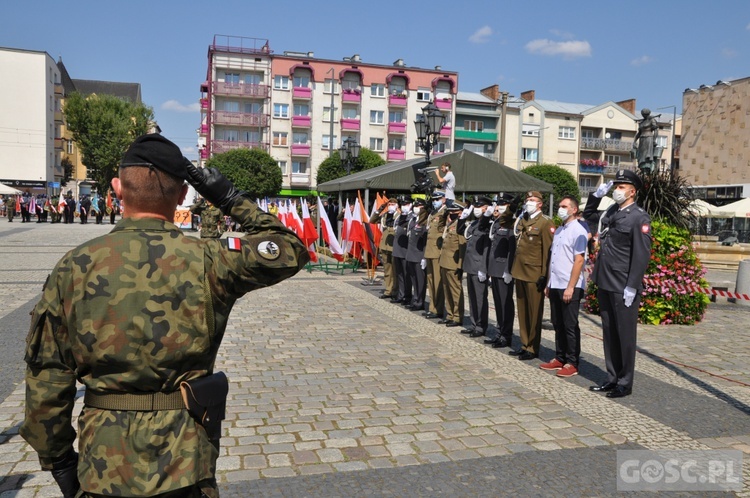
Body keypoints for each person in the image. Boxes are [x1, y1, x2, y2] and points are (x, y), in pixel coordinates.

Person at [20, 133, 309, 498]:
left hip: (103, 466)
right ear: (184, 195)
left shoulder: (75, 266)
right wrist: (228, 197)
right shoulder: (209, 260)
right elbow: (290, 248)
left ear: (116, 189)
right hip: (185, 462)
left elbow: (46, 377)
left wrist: (60, 463)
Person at [585, 170, 651, 398]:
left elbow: (641, 254)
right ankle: (611, 377)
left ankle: (625, 381)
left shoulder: (639, 217)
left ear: (632, 191)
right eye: (616, 186)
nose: (617, 190)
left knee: (625, 334)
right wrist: (596, 195)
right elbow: (589, 215)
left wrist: (632, 285)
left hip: (623, 284)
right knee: (609, 332)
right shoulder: (612, 211)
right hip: (605, 279)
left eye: (621, 187)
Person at [540, 196, 588, 378]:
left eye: (564, 206)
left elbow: (579, 260)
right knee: (557, 322)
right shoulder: (559, 230)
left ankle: (572, 361)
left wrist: (571, 286)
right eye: (560, 206)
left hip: (570, 285)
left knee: (570, 325)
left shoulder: (579, 231)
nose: (560, 208)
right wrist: (549, 284)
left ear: (574, 209)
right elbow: (554, 259)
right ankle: (559, 357)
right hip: (556, 283)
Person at [509, 191, 555, 360]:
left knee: (534, 312)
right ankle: (524, 343)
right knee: (522, 311)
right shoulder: (523, 220)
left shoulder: (545, 223)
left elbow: (548, 252)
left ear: (540, 204)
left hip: (534, 273)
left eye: (532, 200)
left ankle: (532, 348)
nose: (528, 202)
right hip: (520, 271)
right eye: (527, 199)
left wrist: (545, 276)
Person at [485, 193, 519, 348]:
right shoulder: (497, 222)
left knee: (506, 304)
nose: (499, 206)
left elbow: (512, 249)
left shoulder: (512, 222)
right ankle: (499, 333)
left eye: (503, 204)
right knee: (498, 303)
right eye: (498, 204)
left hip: (504, 269)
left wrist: (508, 270)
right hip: (494, 268)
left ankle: (506, 335)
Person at [461, 196, 494, 338]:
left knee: (480, 298)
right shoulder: (474, 223)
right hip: (470, 265)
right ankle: (474, 323)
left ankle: (481, 326)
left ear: (487, 208)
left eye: (480, 206)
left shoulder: (488, 224)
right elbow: (461, 232)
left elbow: (487, 248)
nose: (476, 209)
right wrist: (463, 218)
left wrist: (483, 268)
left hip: (479, 266)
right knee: (472, 297)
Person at [438, 201, 467, 327]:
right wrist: (443, 216)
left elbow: (462, 248)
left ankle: (457, 316)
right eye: (450, 212)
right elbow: (439, 228)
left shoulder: (461, 226)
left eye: (454, 212)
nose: (451, 214)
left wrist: (460, 266)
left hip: (454, 263)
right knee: (447, 290)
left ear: (460, 212)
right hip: (444, 261)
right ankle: (450, 314)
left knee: (455, 291)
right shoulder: (450, 223)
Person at [422, 190, 446, 319]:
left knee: (437, 282)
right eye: (433, 199)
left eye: (437, 199)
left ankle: (438, 308)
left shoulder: (445, 212)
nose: (434, 201)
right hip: (430, 251)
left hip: (438, 252)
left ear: (443, 199)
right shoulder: (433, 213)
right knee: (431, 281)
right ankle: (432, 307)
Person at [370, 197, 398, 300]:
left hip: (394, 246)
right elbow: (372, 220)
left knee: (395, 270)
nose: (391, 205)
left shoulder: (399, 216)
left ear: (397, 205)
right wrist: (380, 209)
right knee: (387, 270)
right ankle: (388, 290)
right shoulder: (385, 215)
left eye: (393, 203)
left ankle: (395, 290)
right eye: (389, 203)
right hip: (385, 245)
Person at [405, 198, 429, 311]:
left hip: (419, 255)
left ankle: (420, 301)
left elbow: (425, 241)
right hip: (411, 254)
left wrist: (424, 257)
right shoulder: (413, 220)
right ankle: (415, 299)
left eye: (419, 206)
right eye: (415, 206)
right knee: (414, 279)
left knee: (420, 281)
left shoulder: (424, 221)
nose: (416, 208)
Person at [391, 196, 412, 305]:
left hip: (405, 250)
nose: (404, 207)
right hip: (398, 250)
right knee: (399, 274)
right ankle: (401, 294)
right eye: (403, 204)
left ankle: (407, 296)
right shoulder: (399, 217)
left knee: (406, 274)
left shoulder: (411, 217)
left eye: (406, 204)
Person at [633, 108, 660, 173]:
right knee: (641, 156)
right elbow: (639, 133)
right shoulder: (642, 122)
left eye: (644, 114)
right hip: (642, 140)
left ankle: (647, 170)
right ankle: (642, 170)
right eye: (643, 114)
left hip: (648, 138)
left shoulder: (652, 120)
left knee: (646, 157)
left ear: (647, 114)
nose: (643, 116)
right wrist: (634, 141)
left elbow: (656, 130)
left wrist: (654, 140)